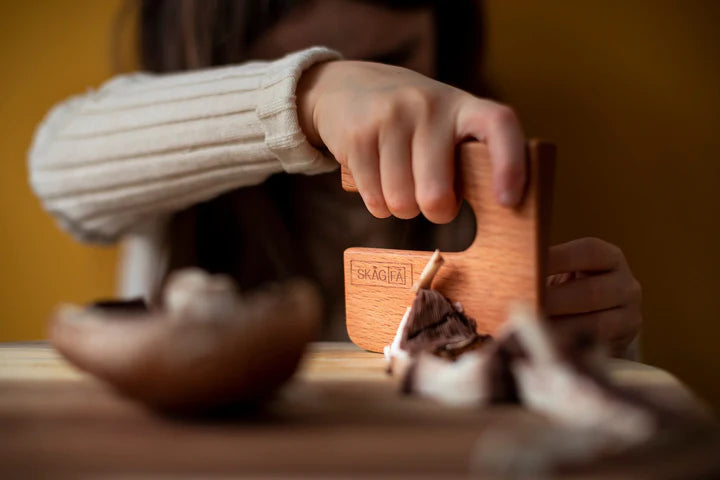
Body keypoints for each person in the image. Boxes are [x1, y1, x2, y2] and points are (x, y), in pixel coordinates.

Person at [28, 0, 641, 356]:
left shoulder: (474, 146)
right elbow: (58, 170)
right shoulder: (179, 183)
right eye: (292, 61)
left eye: (396, 59)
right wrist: (307, 99)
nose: (375, 103)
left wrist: (601, 352)